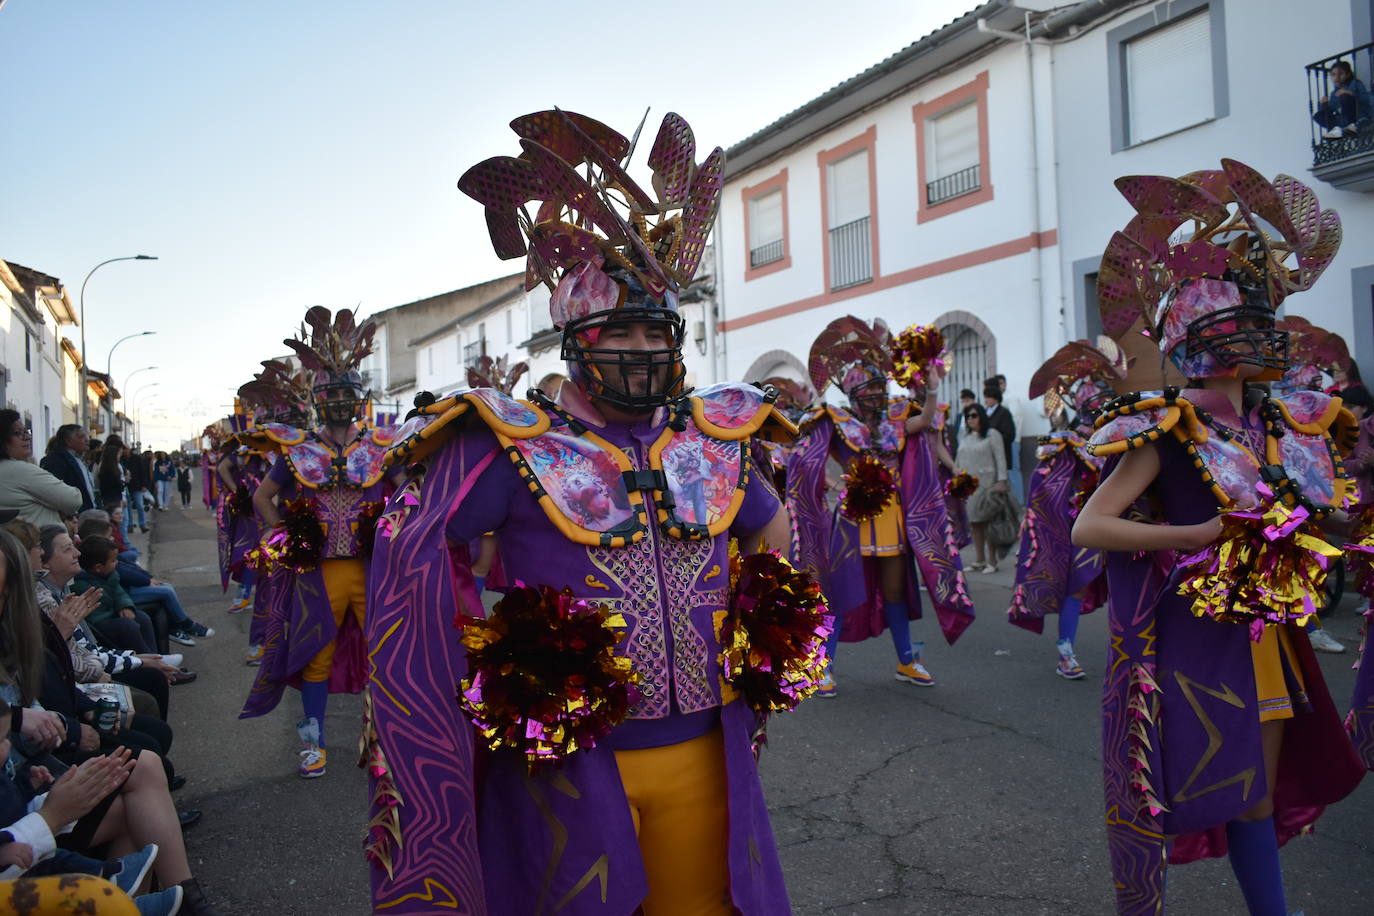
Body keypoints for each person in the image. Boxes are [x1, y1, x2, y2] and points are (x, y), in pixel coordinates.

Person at [363, 109, 798, 915]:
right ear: (577, 341)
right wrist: (481, 662)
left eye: (657, 333)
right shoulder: (512, 444)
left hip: (706, 746)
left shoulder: (714, 435)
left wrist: (763, 618)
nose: (644, 353)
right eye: (622, 332)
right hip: (571, 759)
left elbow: (769, 524)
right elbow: (417, 547)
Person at [1073, 159, 1364, 914]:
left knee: (1259, 792)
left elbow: (1321, 512)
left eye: (1257, 313)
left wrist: (1330, 526)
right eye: (1231, 316)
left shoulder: (1281, 422)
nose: (1251, 329)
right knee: (1235, 787)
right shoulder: (1167, 427)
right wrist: (1197, 530)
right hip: (1199, 637)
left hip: (1266, 634)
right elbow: (1091, 523)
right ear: (1189, 332)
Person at [0, 529, 220, 914]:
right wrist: (47, 807)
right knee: (144, 759)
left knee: (146, 745)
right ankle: (173, 899)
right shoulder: (33, 613)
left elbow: (53, 683)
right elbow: (43, 690)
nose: (77, 550)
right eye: (63, 548)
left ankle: (165, 898)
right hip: (31, 795)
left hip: (36, 768)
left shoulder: (47, 601)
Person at [240, 307, 399, 779]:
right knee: (315, 655)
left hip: (372, 569)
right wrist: (283, 533)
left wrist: (399, 528)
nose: (339, 403)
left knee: (384, 652)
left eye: (346, 394)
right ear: (318, 399)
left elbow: (412, 489)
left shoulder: (381, 447)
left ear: (359, 398)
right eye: (331, 394)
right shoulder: (297, 452)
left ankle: (385, 742)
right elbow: (264, 497)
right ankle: (313, 741)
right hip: (319, 571)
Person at [798, 317, 975, 696]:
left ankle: (907, 659)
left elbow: (927, 421)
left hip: (893, 520)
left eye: (880, 387)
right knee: (841, 592)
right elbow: (806, 457)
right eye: (869, 389)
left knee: (895, 591)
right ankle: (824, 666)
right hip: (851, 520)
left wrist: (931, 388)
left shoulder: (897, 420)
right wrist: (822, 484)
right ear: (853, 394)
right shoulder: (835, 422)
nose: (877, 395)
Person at [1007, 338, 1125, 678]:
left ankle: (1129, 650)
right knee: (1078, 583)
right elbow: (1046, 487)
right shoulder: (1067, 442)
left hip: (1124, 518)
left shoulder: (1128, 432)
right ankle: (1066, 651)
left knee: (1127, 583)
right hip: (1083, 521)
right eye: (1096, 403)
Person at [0, 411, 82, 530]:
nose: (27, 437)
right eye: (18, 433)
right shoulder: (21, 471)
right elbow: (73, 499)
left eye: (26, 431)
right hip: (42, 541)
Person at [956, 403, 1009, 573]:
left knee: (988, 523)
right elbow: (958, 459)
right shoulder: (965, 436)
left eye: (974, 415)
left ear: (981, 416)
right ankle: (979, 559)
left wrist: (1002, 480)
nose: (970, 419)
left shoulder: (992, 434)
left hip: (987, 484)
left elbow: (1001, 458)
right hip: (969, 486)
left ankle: (992, 561)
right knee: (974, 523)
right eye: (967, 417)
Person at [39, 425, 97, 513]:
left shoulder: (78, 459)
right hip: (73, 516)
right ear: (68, 441)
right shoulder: (57, 461)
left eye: (86, 436)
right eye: (81, 437)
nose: (87, 440)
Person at [1312, 59, 1372, 138]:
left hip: (1358, 116)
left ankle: (1353, 125)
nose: (1337, 78)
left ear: (1347, 74)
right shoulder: (1334, 93)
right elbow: (1331, 108)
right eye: (1333, 75)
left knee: (1344, 97)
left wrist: (1350, 93)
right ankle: (1337, 129)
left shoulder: (1355, 84)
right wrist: (1323, 104)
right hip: (1342, 121)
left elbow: (1366, 99)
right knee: (1318, 116)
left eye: (1340, 74)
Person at [119, 449, 149, 536]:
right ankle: (130, 525)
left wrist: (144, 485)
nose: (125, 451)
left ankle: (142, 525)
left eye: (126, 449)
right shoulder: (121, 459)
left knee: (139, 505)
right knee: (127, 507)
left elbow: (142, 471)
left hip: (137, 486)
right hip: (126, 486)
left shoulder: (137, 458)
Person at [95, 439, 126, 517]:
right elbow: (116, 485)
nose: (120, 456)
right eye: (118, 454)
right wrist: (124, 481)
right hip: (113, 499)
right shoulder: (111, 469)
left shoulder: (104, 467)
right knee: (115, 519)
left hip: (108, 498)